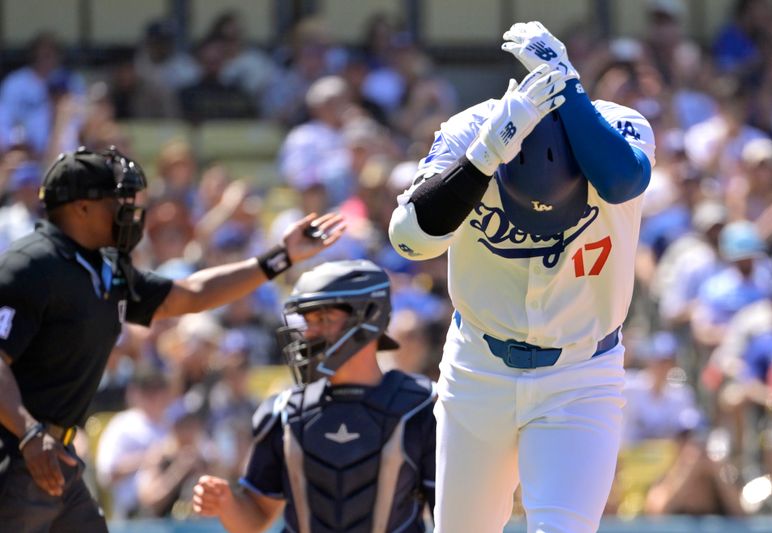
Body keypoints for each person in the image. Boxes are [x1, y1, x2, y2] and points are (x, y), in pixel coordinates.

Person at [389, 21, 656, 533]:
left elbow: (622, 182)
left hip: (581, 372)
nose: (540, 212)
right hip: (477, 368)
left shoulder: (618, 125)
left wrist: (566, 81)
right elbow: (408, 239)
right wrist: (485, 155)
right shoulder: (472, 130)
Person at [0, 145, 344, 532]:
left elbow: (190, 294)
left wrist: (280, 257)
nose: (127, 208)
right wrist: (28, 432)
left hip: (53, 454)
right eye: (116, 199)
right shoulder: (31, 264)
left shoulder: (104, 267)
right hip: (17, 452)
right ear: (81, 208)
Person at [192, 259, 436, 533]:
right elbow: (256, 517)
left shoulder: (422, 406)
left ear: (368, 317)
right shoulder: (284, 410)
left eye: (323, 320)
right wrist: (226, 503)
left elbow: (454, 514)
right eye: (307, 321)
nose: (309, 334)